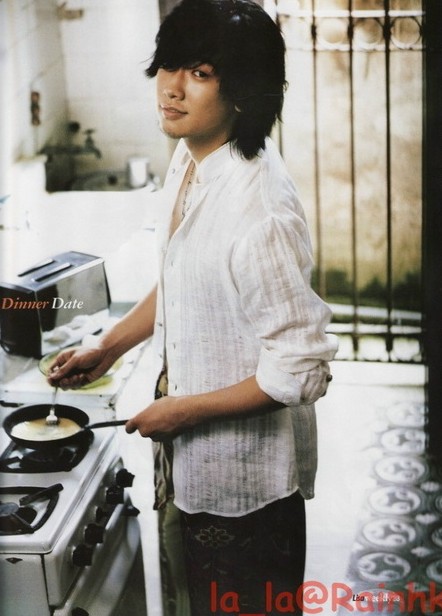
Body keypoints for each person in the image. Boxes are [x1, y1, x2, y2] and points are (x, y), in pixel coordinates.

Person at [48, 0, 338, 614]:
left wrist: (182, 412)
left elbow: (301, 369)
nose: (171, 88)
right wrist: (109, 346)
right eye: (169, 66)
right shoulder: (192, 157)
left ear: (244, 92)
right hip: (191, 467)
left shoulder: (260, 213)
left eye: (200, 73)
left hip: (245, 489)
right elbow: (183, 279)